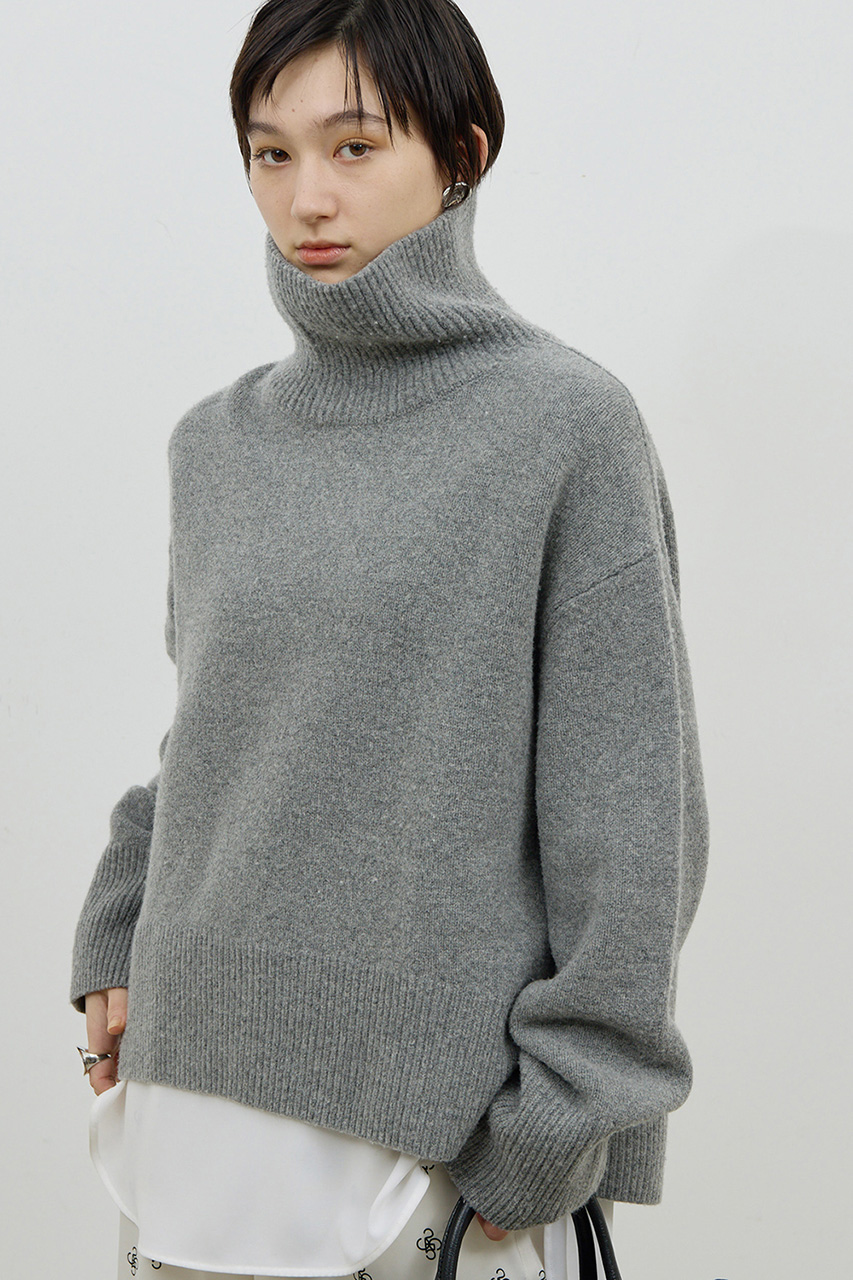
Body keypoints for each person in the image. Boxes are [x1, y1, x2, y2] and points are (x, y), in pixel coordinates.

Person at [70, 2, 709, 1278]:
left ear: (461, 154)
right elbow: (218, 731)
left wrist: (562, 1119)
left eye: (354, 146)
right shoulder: (216, 442)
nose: (307, 196)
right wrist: (116, 926)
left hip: (429, 1147)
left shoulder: (564, 425)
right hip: (192, 1120)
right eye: (270, 152)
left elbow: (635, 818)